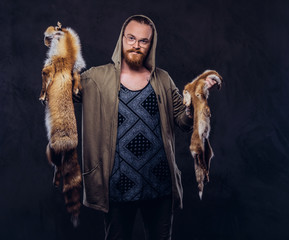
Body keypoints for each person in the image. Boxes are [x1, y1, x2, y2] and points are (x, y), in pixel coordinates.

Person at [75, 15, 217, 240]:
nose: (136, 45)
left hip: (159, 186)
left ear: (151, 44)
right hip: (118, 187)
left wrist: (197, 101)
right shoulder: (96, 78)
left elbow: (182, 120)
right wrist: (58, 66)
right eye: (131, 38)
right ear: (122, 38)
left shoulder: (162, 79)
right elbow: (62, 95)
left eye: (143, 41)